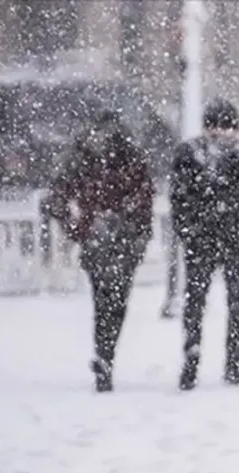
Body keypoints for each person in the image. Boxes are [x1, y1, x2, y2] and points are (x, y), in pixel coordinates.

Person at [41, 108, 155, 392]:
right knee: (115, 302)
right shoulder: (127, 157)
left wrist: (77, 227)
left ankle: (104, 355)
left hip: (101, 237)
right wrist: (138, 231)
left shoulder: (84, 157)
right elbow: (144, 200)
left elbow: (56, 198)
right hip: (117, 237)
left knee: (103, 300)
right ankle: (106, 355)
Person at [171, 98, 239, 391]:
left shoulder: (190, 153)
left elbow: (179, 199)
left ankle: (193, 361)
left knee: (197, 302)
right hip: (233, 239)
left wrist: (188, 231)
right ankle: (231, 364)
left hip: (205, 239)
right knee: (234, 303)